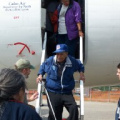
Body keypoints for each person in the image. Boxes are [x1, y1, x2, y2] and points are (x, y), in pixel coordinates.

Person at [36, 44, 85, 120]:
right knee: (54, 114)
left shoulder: (72, 61)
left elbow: (80, 65)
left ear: (66, 54)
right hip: (52, 91)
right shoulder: (50, 60)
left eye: (61, 54)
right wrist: (40, 75)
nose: (59, 56)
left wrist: (81, 74)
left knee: (74, 109)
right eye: (57, 53)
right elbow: (42, 67)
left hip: (66, 91)